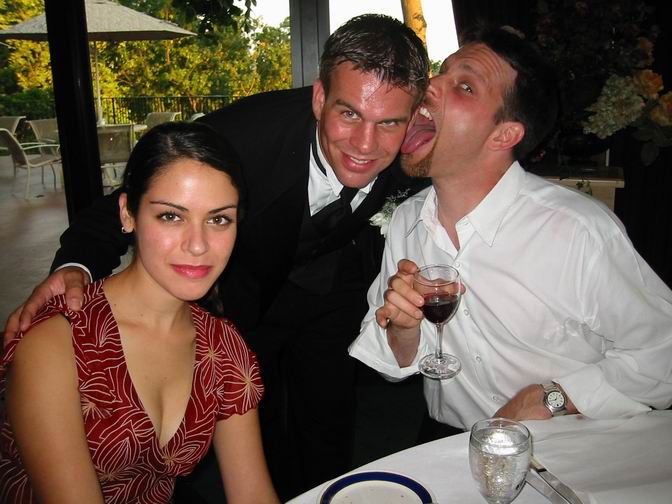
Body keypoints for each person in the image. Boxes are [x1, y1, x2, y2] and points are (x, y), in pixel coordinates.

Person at [3, 14, 430, 499]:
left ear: (412, 118)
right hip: (252, 290)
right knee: (253, 420)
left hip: (333, 290)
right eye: (349, 114)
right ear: (318, 99)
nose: (365, 144)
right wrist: (74, 267)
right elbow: (133, 199)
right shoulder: (244, 138)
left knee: (329, 419)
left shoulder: (419, 149)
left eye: (389, 122)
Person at [349, 25, 672, 434]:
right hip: (450, 437)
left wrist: (550, 398)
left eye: (465, 86)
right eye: (441, 72)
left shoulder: (576, 231)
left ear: (504, 135)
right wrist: (404, 327)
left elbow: (663, 354)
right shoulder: (406, 222)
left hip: (563, 442)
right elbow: (392, 365)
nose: (429, 85)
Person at [0, 122, 279, 503]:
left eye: (218, 219)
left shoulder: (225, 348)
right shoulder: (57, 344)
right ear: (127, 213)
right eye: (171, 216)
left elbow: (253, 495)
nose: (198, 245)